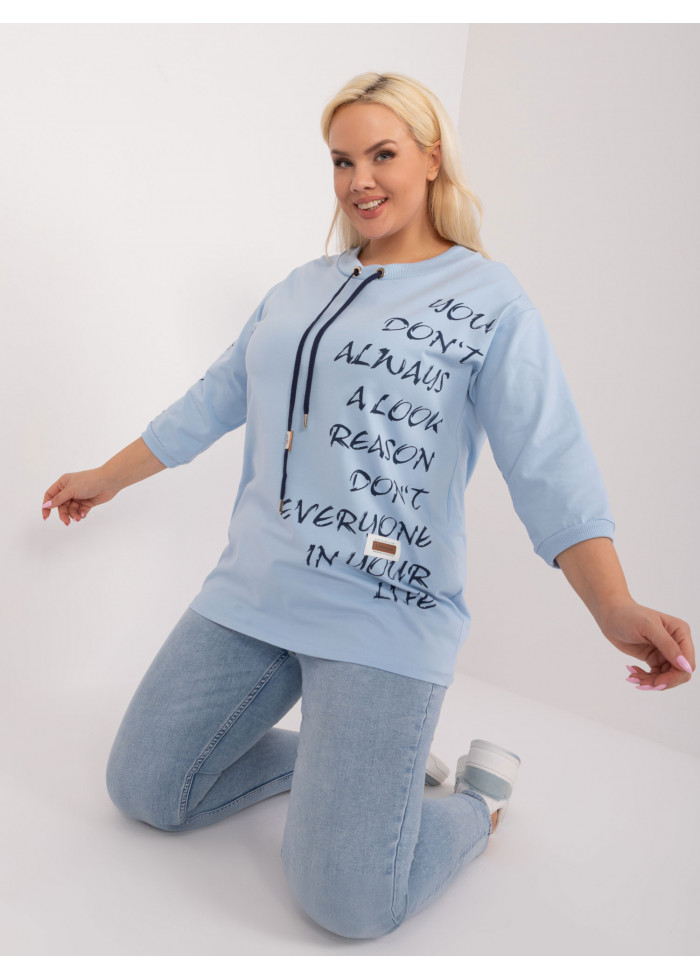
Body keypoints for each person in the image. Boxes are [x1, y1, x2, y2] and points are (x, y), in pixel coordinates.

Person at [41, 71, 694, 940]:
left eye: (382, 154)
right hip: (256, 591)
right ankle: (361, 778)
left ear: (431, 157)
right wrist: (106, 475)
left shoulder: (491, 302)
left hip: (385, 610)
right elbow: (214, 398)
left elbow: (549, 462)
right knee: (145, 788)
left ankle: (476, 804)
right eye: (342, 161)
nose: (360, 180)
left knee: (346, 904)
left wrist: (612, 603)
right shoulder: (299, 288)